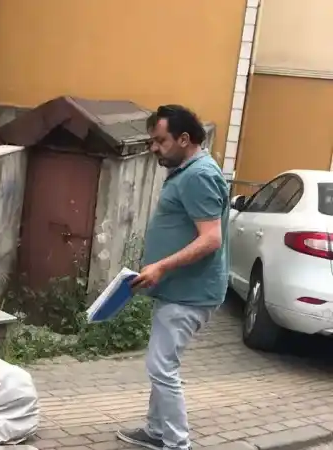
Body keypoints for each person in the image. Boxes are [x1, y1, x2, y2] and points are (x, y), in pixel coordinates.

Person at [117, 105, 229, 450]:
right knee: (161, 364)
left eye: (160, 140)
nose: (154, 148)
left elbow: (211, 238)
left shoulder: (198, 176)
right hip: (179, 290)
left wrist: (162, 267)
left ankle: (178, 444)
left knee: (162, 367)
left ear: (183, 139)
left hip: (189, 293)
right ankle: (156, 431)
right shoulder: (188, 170)